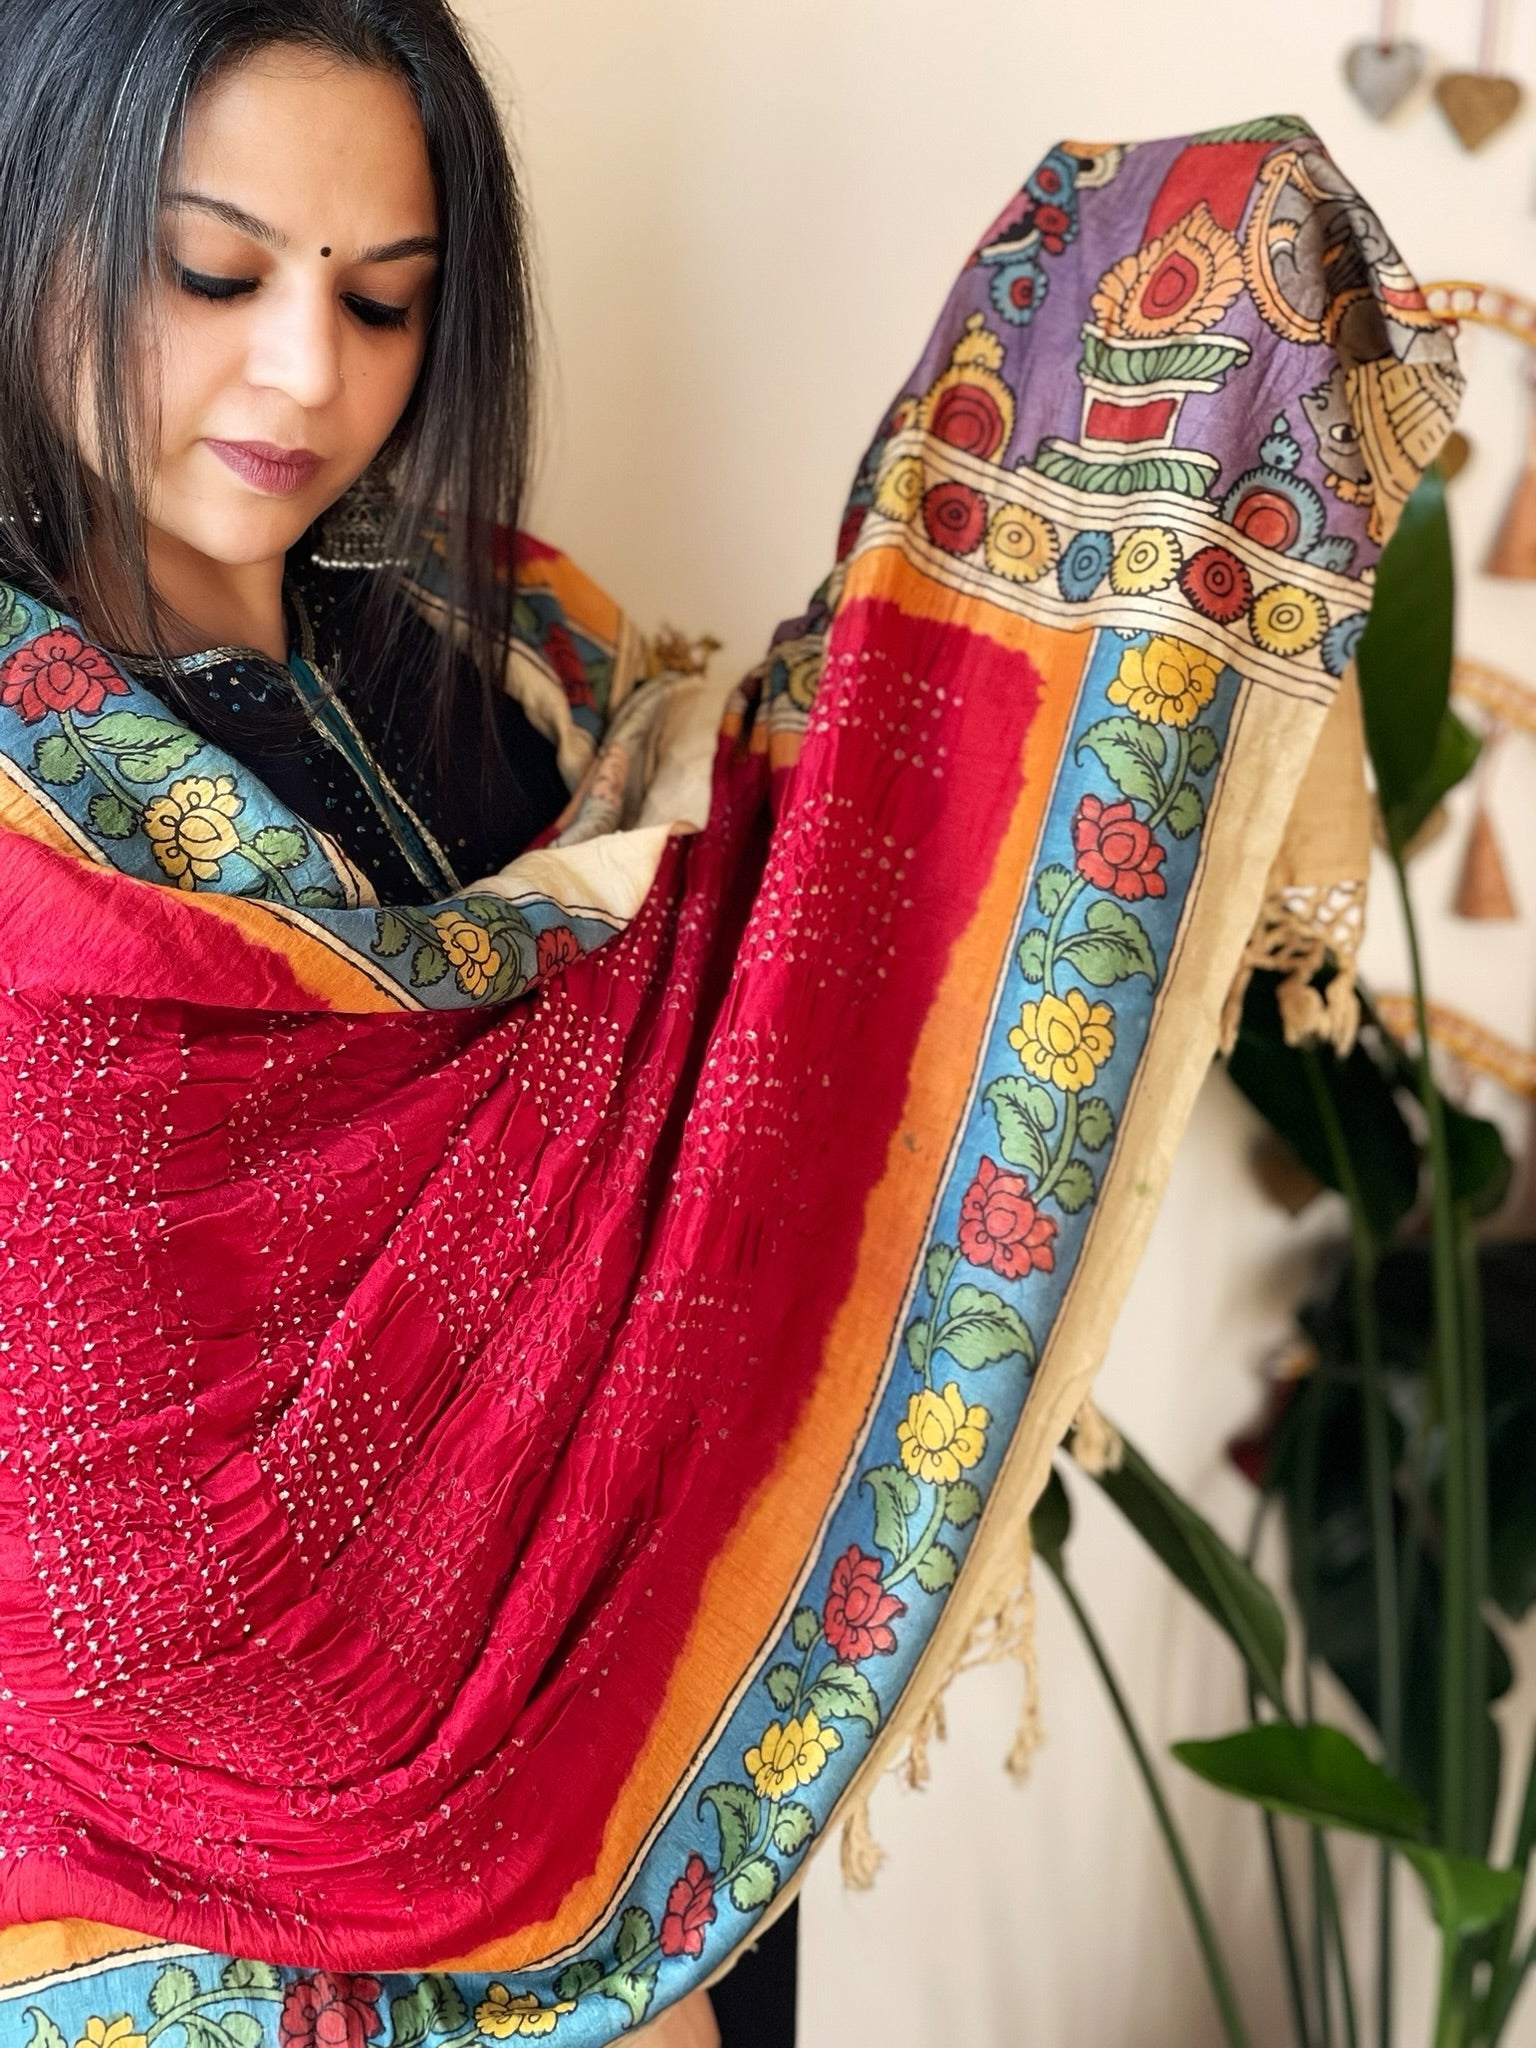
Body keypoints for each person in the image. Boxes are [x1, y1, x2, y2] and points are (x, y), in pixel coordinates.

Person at [0, 4, 739, 2040]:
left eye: (389, 300)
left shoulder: (502, 673)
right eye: (208, 272)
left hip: (638, 1790)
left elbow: (696, 1168)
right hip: (176, 1893)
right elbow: (78, 1494)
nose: (305, 373)